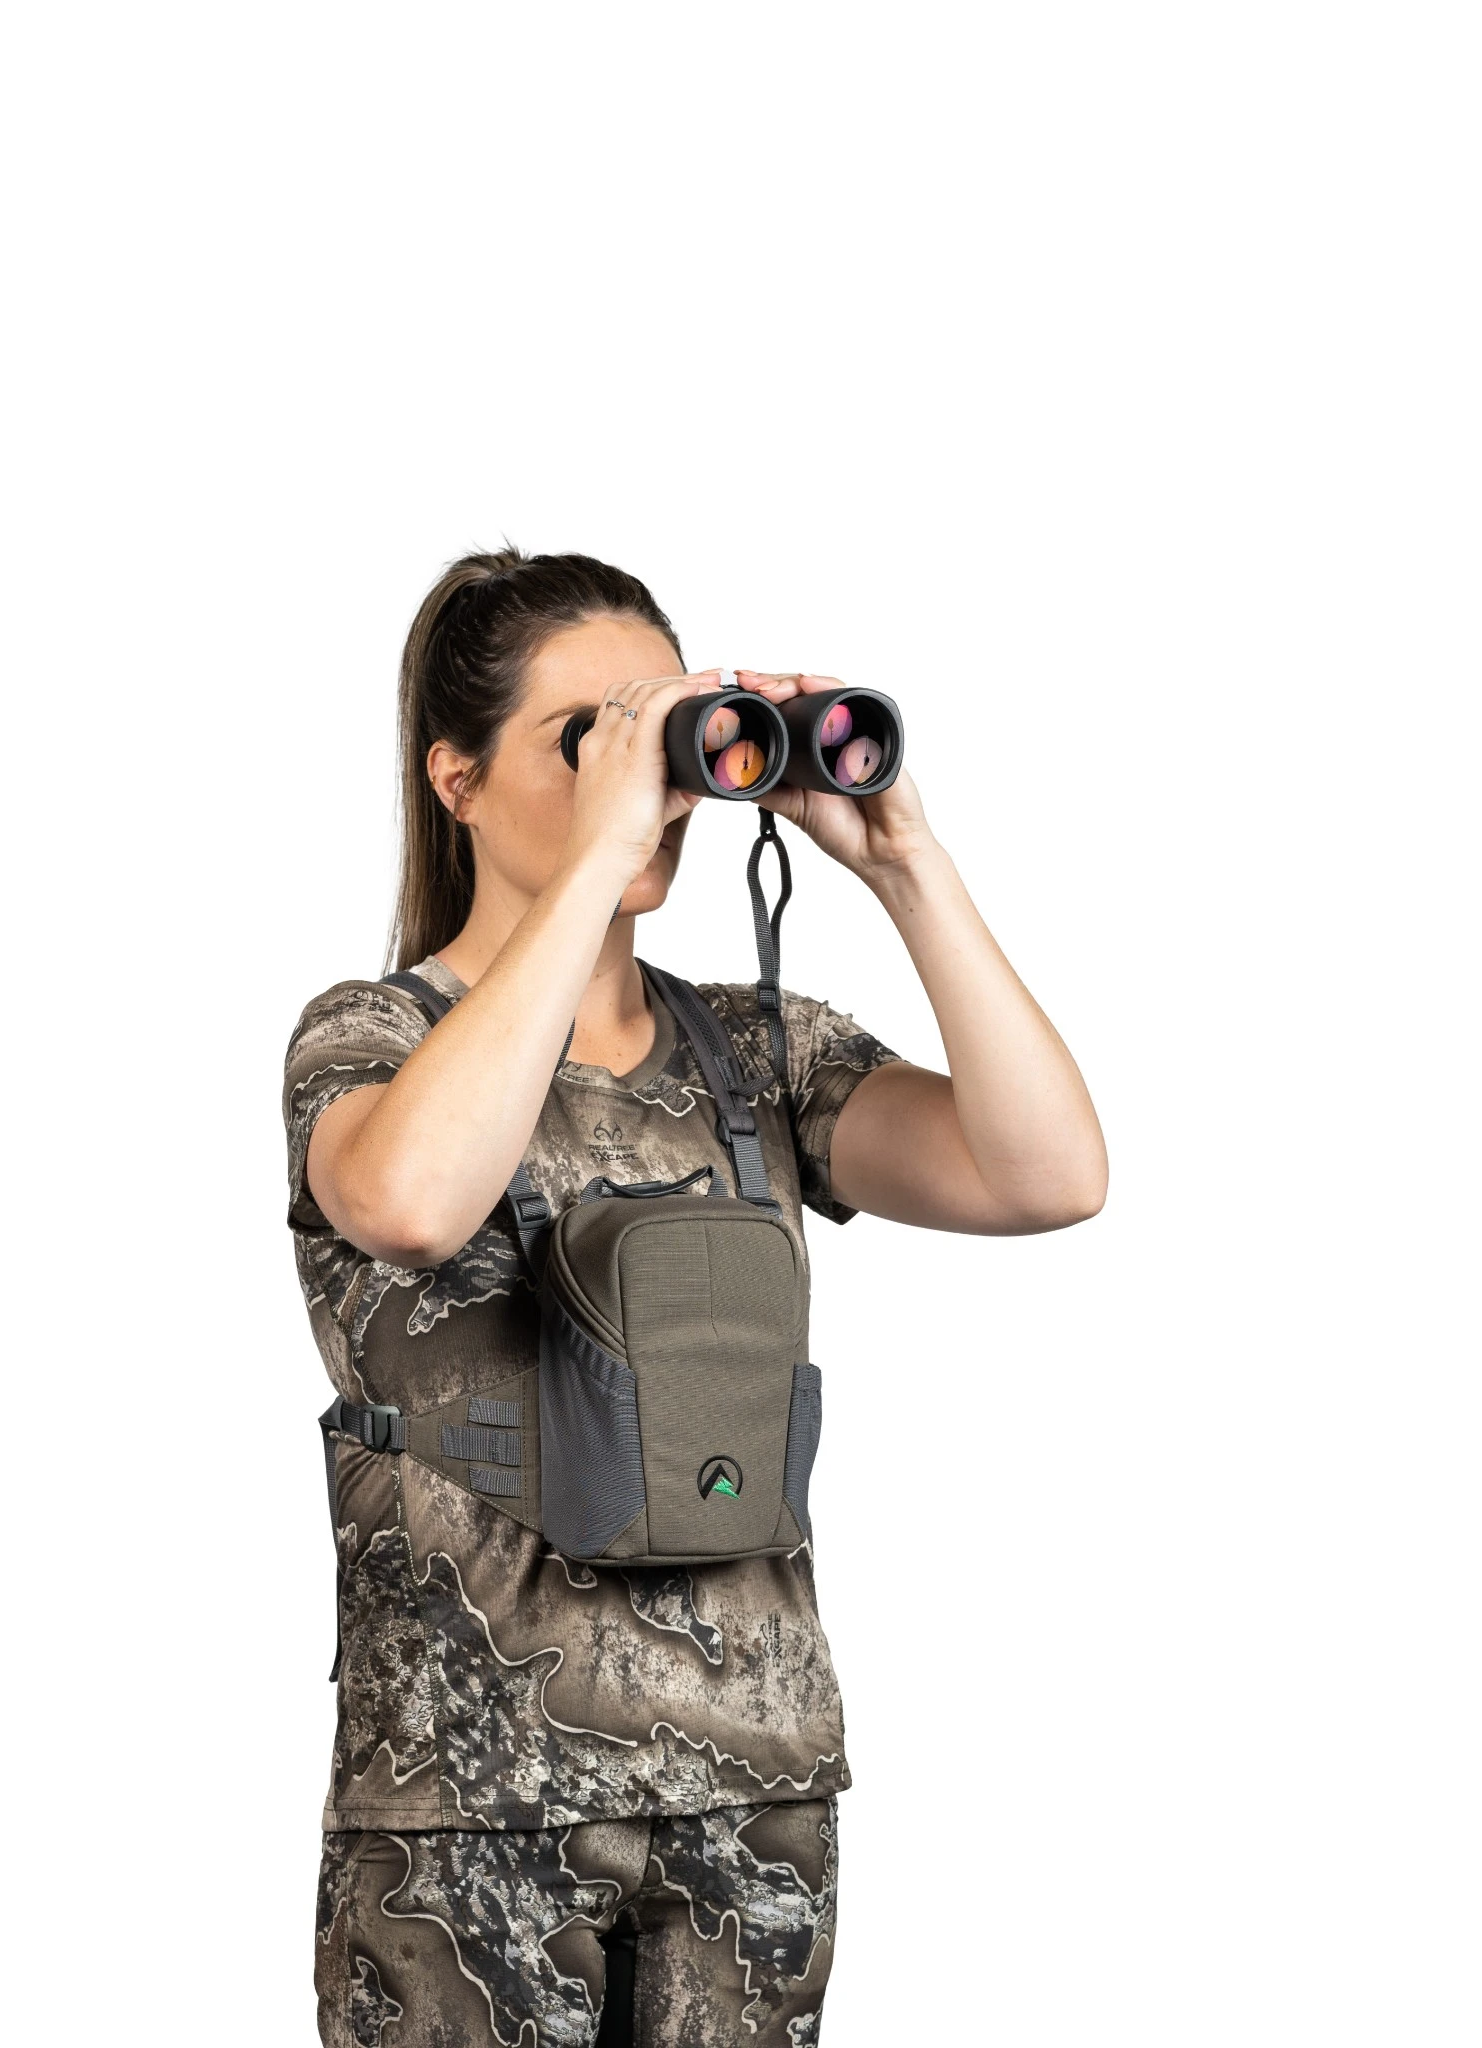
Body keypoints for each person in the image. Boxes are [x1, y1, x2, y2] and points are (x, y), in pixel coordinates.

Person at [283, 549, 1107, 2046]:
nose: (644, 781)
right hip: (466, 1816)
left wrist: (906, 862)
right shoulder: (372, 1038)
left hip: (751, 1800)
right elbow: (409, 1202)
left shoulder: (754, 1051)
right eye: (588, 737)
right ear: (457, 779)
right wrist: (598, 860)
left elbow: (1047, 1174)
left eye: (657, 731)